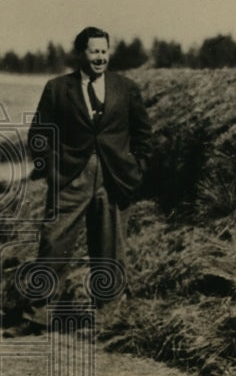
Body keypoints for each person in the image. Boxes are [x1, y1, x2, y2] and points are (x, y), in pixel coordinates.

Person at [8, 25, 150, 337]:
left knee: (110, 251)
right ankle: (36, 317)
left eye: (104, 51)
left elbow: (143, 135)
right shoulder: (58, 88)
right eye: (94, 51)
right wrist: (51, 171)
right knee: (53, 245)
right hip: (69, 179)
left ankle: (107, 321)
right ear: (80, 54)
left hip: (113, 179)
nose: (100, 58)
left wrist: (136, 169)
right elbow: (39, 135)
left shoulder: (126, 89)